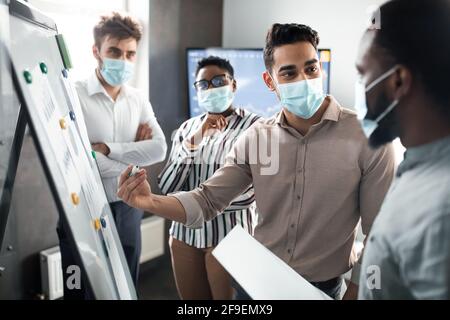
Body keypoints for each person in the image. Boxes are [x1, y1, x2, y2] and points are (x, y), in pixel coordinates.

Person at [117, 23, 395, 300]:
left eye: (311, 68)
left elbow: (381, 234)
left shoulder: (369, 137)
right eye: (289, 73)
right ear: (269, 81)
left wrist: (360, 292)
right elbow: (207, 200)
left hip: (322, 288)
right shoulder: (255, 138)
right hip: (259, 283)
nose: (304, 79)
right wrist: (149, 201)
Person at [58, 12, 167, 298]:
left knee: (125, 286)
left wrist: (107, 149)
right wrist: (134, 154)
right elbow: (80, 159)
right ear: (97, 51)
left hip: (129, 206)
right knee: (78, 288)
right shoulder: (74, 95)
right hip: (83, 207)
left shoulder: (138, 98)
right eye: (114, 51)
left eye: (130, 54)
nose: (123, 60)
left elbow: (159, 148)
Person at [355, 0, 450, 299]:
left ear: (398, 81)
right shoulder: (418, 164)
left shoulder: (440, 209)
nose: (361, 88)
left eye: (362, 74)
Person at [158, 56, 260, 299]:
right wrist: (197, 138)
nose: (210, 88)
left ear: (233, 85)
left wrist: (199, 203)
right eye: (203, 84)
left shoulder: (255, 126)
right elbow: (168, 186)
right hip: (185, 237)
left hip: (230, 238)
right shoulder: (187, 129)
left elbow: (253, 191)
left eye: (218, 81)